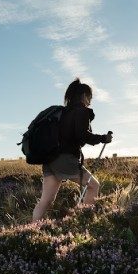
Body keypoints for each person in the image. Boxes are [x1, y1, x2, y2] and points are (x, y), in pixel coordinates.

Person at [32, 78, 113, 222]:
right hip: (65, 159)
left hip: (49, 159)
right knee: (94, 186)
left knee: (46, 200)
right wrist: (103, 138)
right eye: (90, 96)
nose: (90, 100)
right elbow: (82, 135)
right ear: (84, 95)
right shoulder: (81, 111)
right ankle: (84, 221)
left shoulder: (62, 113)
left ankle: (31, 229)